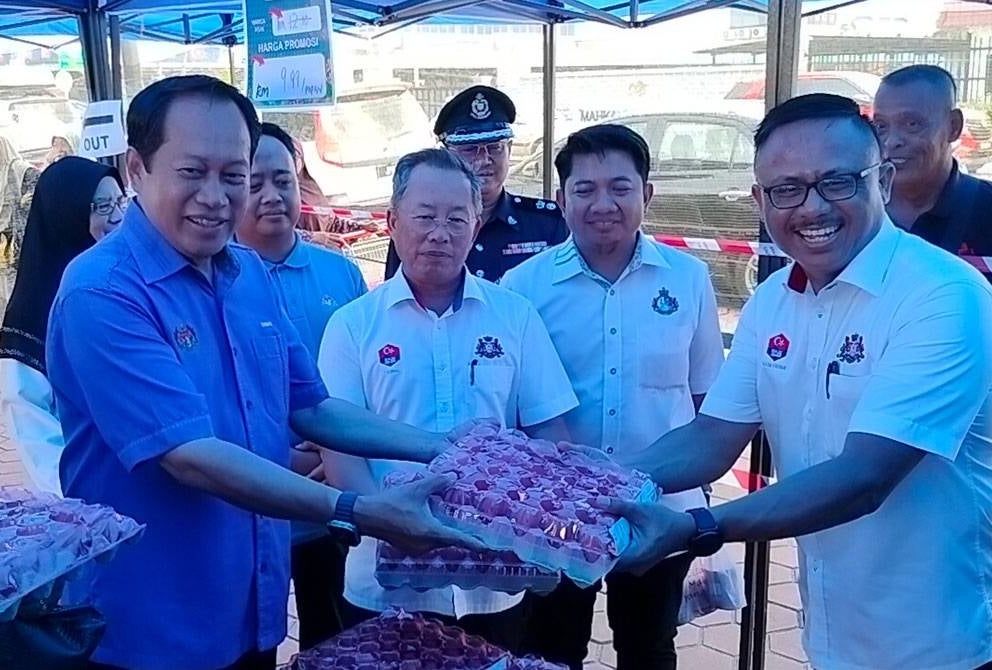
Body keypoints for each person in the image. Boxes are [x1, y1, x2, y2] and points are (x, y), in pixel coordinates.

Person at [45, 75, 484, 670]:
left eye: (234, 176)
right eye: (191, 172)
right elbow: (188, 453)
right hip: (151, 624)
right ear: (136, 170)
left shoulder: (247, 274)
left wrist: (441, 447)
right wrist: (354, 509)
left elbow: (312, 408)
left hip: (251, 606)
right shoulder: (102, 292)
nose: (216, 196)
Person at [606, 94, 992, 670]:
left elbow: (863, 477)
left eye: (836, 182)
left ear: (881, 179)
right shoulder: (773, 299)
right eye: (786, 190)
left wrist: (697, 527)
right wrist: (591, 483)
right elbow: (712, 436)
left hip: (940, 644)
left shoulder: (944, 296)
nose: (812, 208)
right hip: (830, 638)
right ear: (760, 201)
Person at [319, 148, 578, 652]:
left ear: (476, 225)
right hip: (384, 581)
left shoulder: (514, 316)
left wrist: (544, 523)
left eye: (457, 218)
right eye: (425, 217)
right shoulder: (353, 326)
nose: (441, 232)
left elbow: (550, 435)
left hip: (495, 582)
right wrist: (381, 517)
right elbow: (339, 449)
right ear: (393, 221)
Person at [501, 125, 724, 670]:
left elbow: (703, 397)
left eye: (620, 188)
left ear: (646, 194)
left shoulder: (689, 279)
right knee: (551, 649)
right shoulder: (522, 287)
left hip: (661, 510)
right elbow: (509, 407)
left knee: (648, 649)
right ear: (561, 199)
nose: (603, 204)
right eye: (585, 189)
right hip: (553, 516)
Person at [235, 121, 367, 649]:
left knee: (334, 639)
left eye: (283, 180)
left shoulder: (342, 275)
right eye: (255, 182)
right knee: (252, 641)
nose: (272, 196)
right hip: (249, 502)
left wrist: (332, 458)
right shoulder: (217, 281)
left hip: (331, 501)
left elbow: (364, 379)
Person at [0, 156, 126, 495]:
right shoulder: (31, 321)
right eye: (101, 207)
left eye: (121, 202)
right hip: (90, 500)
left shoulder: (125, 289)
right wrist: (87, 507)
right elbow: (36, 435)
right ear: (64, 215)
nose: (117, 217)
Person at [385, 86, 569, 283]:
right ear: (447, 154)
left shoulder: (547, 222)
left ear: (509, 149)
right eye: (470, 150)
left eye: (495, 148)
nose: (484, 160)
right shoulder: (419, 226)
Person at [874, 64, 992, 282]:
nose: (891, 142)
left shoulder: (986, 210)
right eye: (881, 126)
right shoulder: (855, 213)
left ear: (953, 127)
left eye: (912, 124)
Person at [0, 132, 38, 331]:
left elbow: (37, 187)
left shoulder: (16, 169)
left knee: (16, 295)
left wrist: (24, 202)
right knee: (1, 298)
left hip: (14, 244)